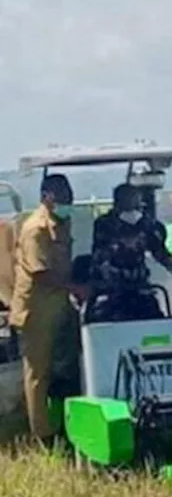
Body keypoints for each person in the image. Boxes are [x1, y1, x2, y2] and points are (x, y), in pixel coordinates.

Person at [9, 174, 85, 444]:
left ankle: (69, 422)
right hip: (36, 311)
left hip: (60, 306)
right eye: (61, 197)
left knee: (67, 366)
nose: (67, 202)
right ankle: (43, 435)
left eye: (70, 197)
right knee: (38, 374)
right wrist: (75, 287)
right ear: (46, 197)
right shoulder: (35, 229)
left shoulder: (61, 223)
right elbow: (40, 273)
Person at [85, 183, 172, 322]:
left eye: (136, 202)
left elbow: (158, 249)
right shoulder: (104, 224)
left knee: (153, 315)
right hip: (110, 290)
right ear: (118, 202)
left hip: (140, 286)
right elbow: (101, 256)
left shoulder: (147, 223)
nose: (133, 207)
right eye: (128, 201)